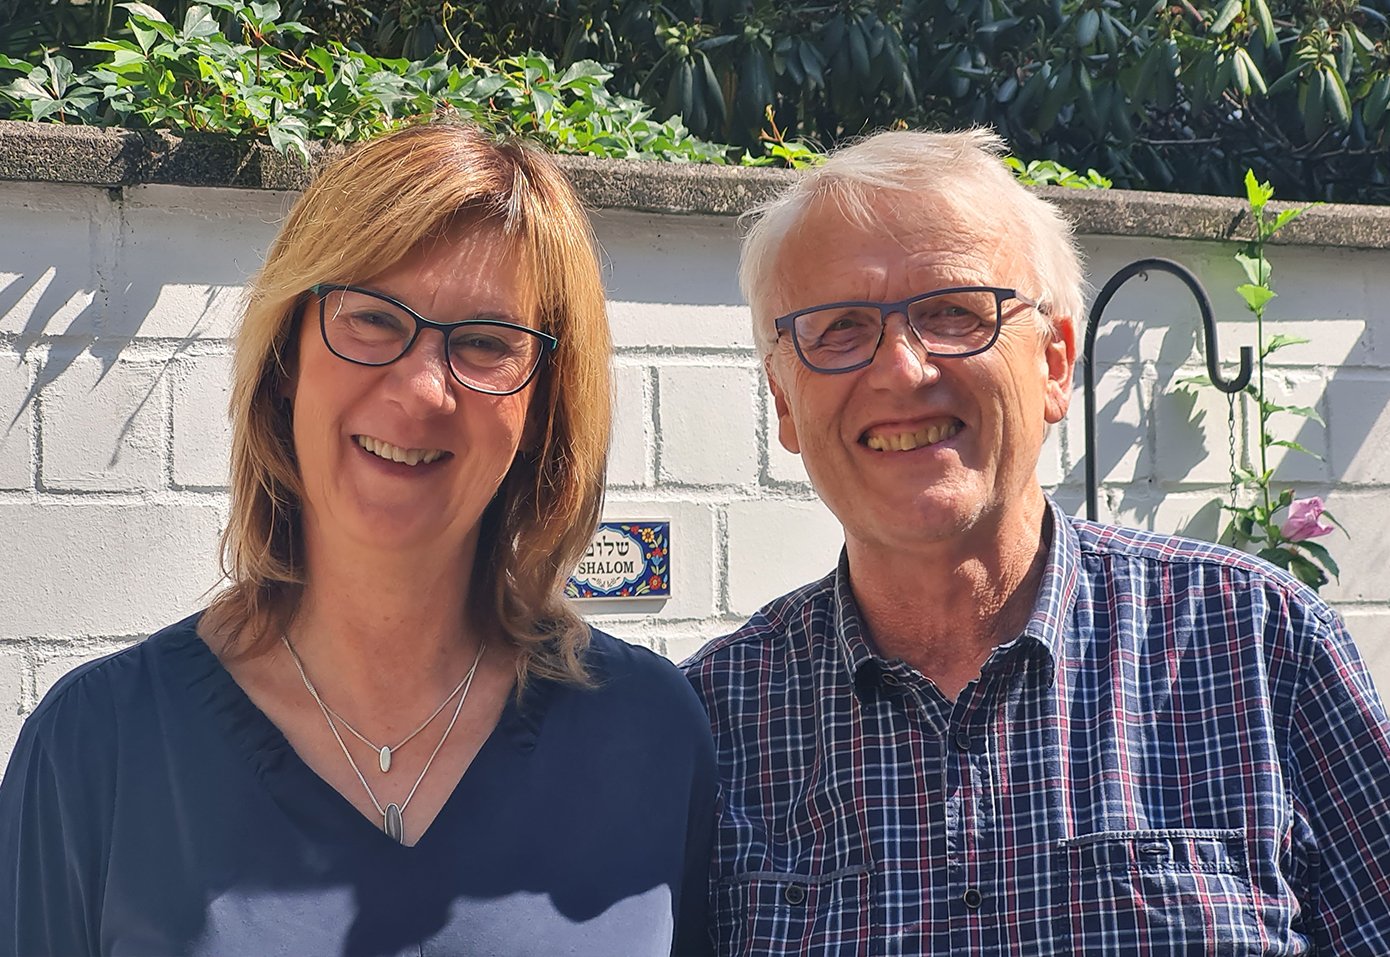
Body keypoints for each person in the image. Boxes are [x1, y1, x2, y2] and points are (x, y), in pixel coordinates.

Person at [0, 123, 715, 957]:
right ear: (286, 356)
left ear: (543, 408)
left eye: (486, 342)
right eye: (373, 317)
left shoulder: (650, 734)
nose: (421, 390)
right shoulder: (96, 751)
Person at [682, 129, 1390, 955]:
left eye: (953, 312)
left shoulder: (1261, 647)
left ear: (1055, 363)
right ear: (785, 403)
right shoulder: (713, 720)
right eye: (838, 327)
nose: (903, 371)